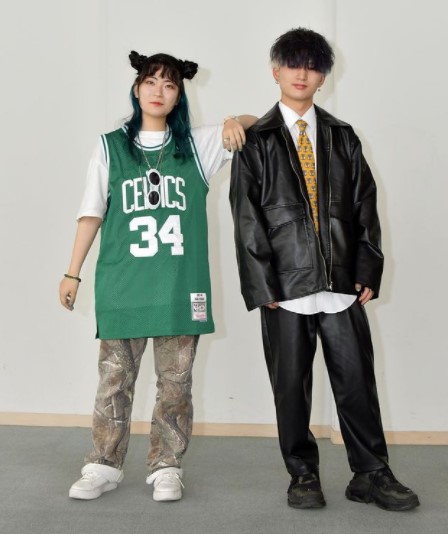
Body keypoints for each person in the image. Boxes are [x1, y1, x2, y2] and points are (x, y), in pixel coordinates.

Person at [229, 28, 419, 511]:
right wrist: (262, 285)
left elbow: (365, 206)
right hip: (285, 287)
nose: (302, 74)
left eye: (313, 66)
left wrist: (367, 269)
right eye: (293, 64)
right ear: (276, 71)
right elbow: (246, 220)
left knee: (356, 382)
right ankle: (303, 475)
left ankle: (371, 474)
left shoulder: (342, 136)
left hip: (340, 284)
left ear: (323, 78)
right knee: (291, 389)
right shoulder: (256, 141)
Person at [59, 50, 256, 502]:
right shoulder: (110, 146)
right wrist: (72, 273)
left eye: (169, 85)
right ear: (137, 88)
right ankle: (102, 464)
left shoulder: (197, 146)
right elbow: (91, 213)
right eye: (151, 82)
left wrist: (234, 120)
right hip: (123, 285)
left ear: (179, 96)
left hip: (178, 288)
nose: (158, 91)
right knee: (114, 382)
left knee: (175, 385)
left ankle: (167, 465)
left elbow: (255, 122)